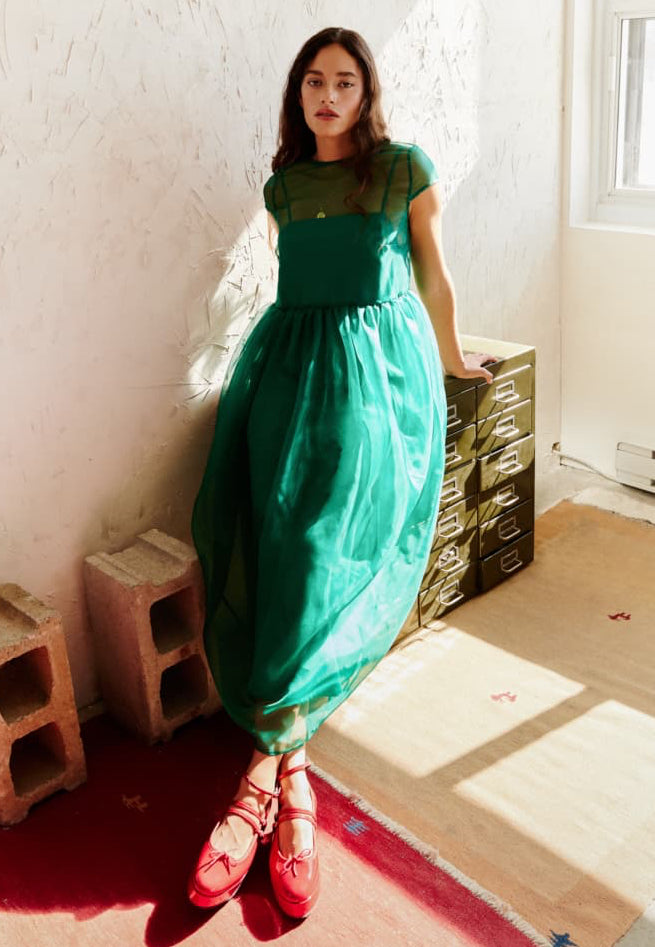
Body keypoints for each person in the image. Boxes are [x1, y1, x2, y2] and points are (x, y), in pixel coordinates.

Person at [187, 26, 498, 919]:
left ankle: (262, 780)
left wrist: (451, 359)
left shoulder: (401, 169)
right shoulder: (282, 187)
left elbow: (432, 277)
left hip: (375, 374)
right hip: (287, 370)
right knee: (281, 538)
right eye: (314, 82)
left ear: (367, 93)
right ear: (298, 95)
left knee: (326, 546)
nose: (328, 96)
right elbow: (294, 285)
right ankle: (292, 775)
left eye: (345, 82)